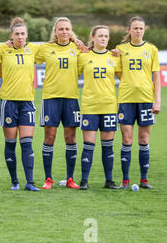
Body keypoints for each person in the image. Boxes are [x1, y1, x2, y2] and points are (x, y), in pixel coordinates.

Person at [35, 17, 82, 190]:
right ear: (55, 31)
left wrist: (82, 45)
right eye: (60, 29)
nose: (64, 32)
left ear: (71, 31)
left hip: (71, 98)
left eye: (67, 29)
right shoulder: (46, 48)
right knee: (50, 137)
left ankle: (70, 178)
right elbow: (27, 54)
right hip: (51, 98)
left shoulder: (77, 49)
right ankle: (48, 179)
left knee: (70, 137)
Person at [0, 17, 40, 191]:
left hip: (27, 102)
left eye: (22, 34)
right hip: (9, 102)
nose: (20, 37)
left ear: (27, 35)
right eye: (17, 34)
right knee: (11, 142)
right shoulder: (2, 50)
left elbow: (55, 45)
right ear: (11, 36)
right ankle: (14, 181)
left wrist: (75, 40)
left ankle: (29, 182)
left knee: (27, 142)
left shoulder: (34, 50)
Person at [115, 16, 161, 189]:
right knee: (126, 139)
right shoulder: (121, 49)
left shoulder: (151, 50)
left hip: (146, 101)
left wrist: (157, 101)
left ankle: (144, 180)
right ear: (129, 30)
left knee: (143, 139)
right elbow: (118, 73)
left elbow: (156, 77)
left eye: (141, 28)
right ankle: (125, 180)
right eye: (135, 28)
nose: (138, 31)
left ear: (144, 30)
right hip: (126, 100)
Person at [77, 25, 120, 190]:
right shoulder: (83, 56)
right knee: (88, 144)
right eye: (100, 35)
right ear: (93, 38)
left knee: (108, 145)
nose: (103, 38)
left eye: (106, 36)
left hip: (109, 105)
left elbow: (125, 77)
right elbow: (72, 73)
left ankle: (109, 180)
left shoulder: (114, 57)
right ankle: (84, 180)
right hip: (90, 106)